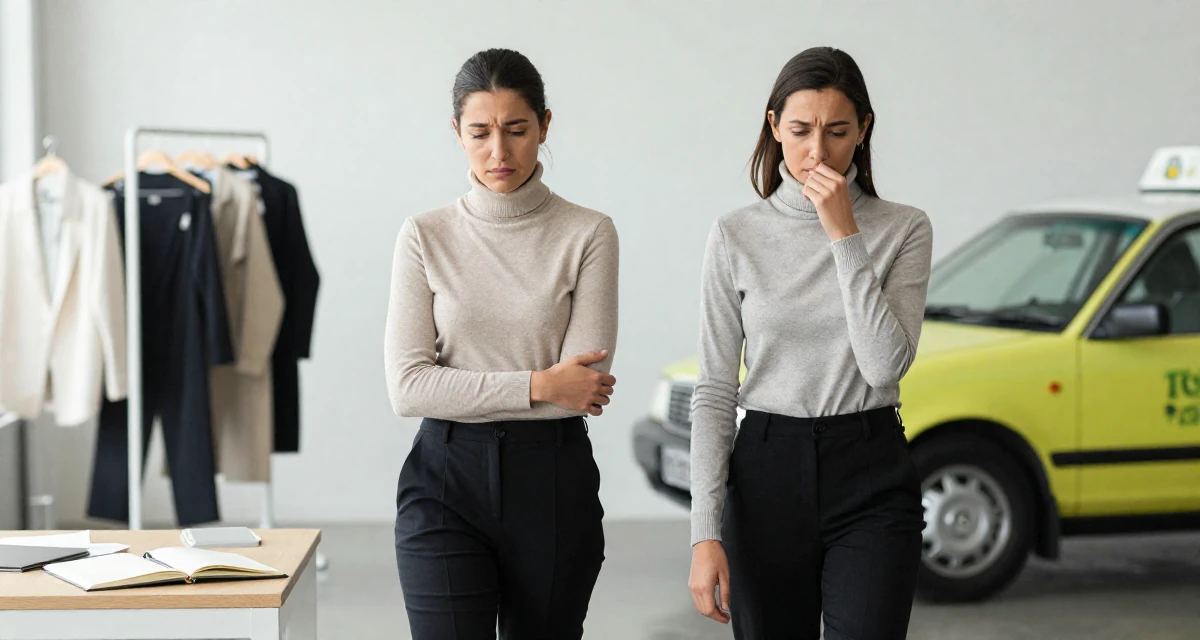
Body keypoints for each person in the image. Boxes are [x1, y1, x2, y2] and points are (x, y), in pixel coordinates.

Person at [687, 46, 933, 640]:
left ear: (863, 131)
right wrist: (704, 532)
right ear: (773, 126)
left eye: (837, 131)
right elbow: (716, 390)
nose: (817, 151)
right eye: (799, 130)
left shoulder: (904, 229)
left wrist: (843, 232)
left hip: (870, 468)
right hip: (767, 470)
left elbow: (882, 366)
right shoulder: (735, 234)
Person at [384, 48, 619, 639]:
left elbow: (582, 389)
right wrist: (539, 383)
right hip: (445, 480)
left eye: (516, 130)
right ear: (456, 133)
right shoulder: (424, 235)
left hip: (553, 481)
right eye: (480, 132)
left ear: (544, 125)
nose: (499, 152)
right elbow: (408, 387)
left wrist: (468, 385)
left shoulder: (588, 232)